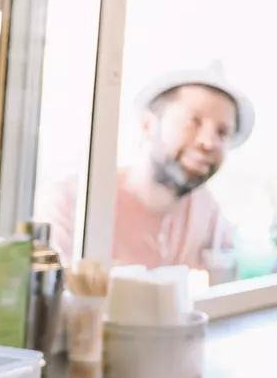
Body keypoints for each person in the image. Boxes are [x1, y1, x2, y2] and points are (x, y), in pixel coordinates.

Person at [43, 65, 253, 282]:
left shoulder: (208, 213)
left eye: (222, 132)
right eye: (193, 121)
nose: (208, 143)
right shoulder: (76, 201)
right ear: (148, 125)